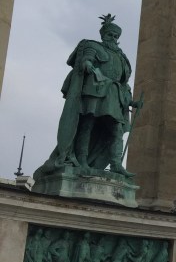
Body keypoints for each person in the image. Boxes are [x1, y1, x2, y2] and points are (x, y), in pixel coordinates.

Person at [35, 14, 141, 179]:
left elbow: (123, 83)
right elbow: (86, 60)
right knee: (87, 124)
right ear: (103, 35)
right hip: (95, 91)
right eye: (110, 35)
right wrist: (87, 63)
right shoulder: (93, 46)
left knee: (117, 130)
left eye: (116, 36)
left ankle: (116, 165)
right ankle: (82, 161)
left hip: (114, 96)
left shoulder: (122, 57)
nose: (113, 38)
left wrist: (132, 102)